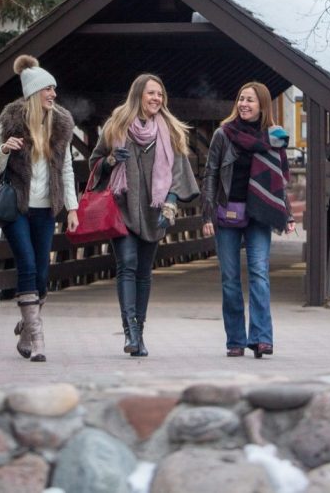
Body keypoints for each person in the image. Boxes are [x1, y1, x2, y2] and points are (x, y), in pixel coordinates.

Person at [88, 73, 199, 357]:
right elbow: (95, 162)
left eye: (160, 94)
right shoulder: (116, 126)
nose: (156, 99)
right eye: (151, 93)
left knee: (144, 273)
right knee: (127, 264)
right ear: (138, 94)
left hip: (154, 211)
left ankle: (140, 330)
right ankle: (131, 332)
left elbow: (179, 170)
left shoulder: (170, 129)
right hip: (122, 207)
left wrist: (171, 202)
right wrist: (111, 161)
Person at [0, 54, 79, 362]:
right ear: (32, 93)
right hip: (17, 207)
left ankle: (27, 326)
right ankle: (38, 339)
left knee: (41, 274)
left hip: (45, 210)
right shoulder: (10, 121)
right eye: (47, 89)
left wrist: (73, 209)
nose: (53, 94)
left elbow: (66, 169)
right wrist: (4, 150)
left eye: (54, 89)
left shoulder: (62, 124)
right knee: (27, 264)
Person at [201, 81, 295, 358]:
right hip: (227, 211)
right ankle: (236, 340)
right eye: (241, 99)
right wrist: (207, 213)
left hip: (259, 214)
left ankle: (262, 338)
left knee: (259, 275)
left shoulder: (274, 138)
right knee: (230, 279)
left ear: (262, 105)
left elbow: (279, 182)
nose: (243, 104)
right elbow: (210, 174)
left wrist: (286, 212)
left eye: (250, 100)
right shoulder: (223, 134)